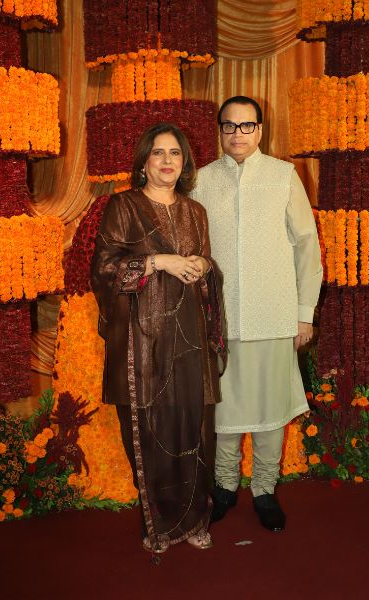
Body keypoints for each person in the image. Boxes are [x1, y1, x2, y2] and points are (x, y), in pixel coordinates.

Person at [91, 122, 226, 556]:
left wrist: (204, 267)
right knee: (150, 430)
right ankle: (159, 526)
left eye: (175, 153)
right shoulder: (123, 206)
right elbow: (104, 270)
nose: (167, 161)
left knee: (194, 425)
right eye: (158, 152)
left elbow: (206, 266)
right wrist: (158, 261)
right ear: (144, 162)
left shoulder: (195, 212)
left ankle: (197, 520)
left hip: (189, 337)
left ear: (185, 163)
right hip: (142, 338)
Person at [189, 96, 323, 532]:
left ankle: (264, 490)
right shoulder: (202, 180)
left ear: (260, 130)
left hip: (274, 314)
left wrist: (303, 314)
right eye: (229, 125)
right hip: (219, 319)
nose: (237, 133)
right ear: (220, 131)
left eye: (247, 125)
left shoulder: (283, 176)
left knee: (270, 409)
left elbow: (307, 246)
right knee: (223, 410)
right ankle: (225, 486)